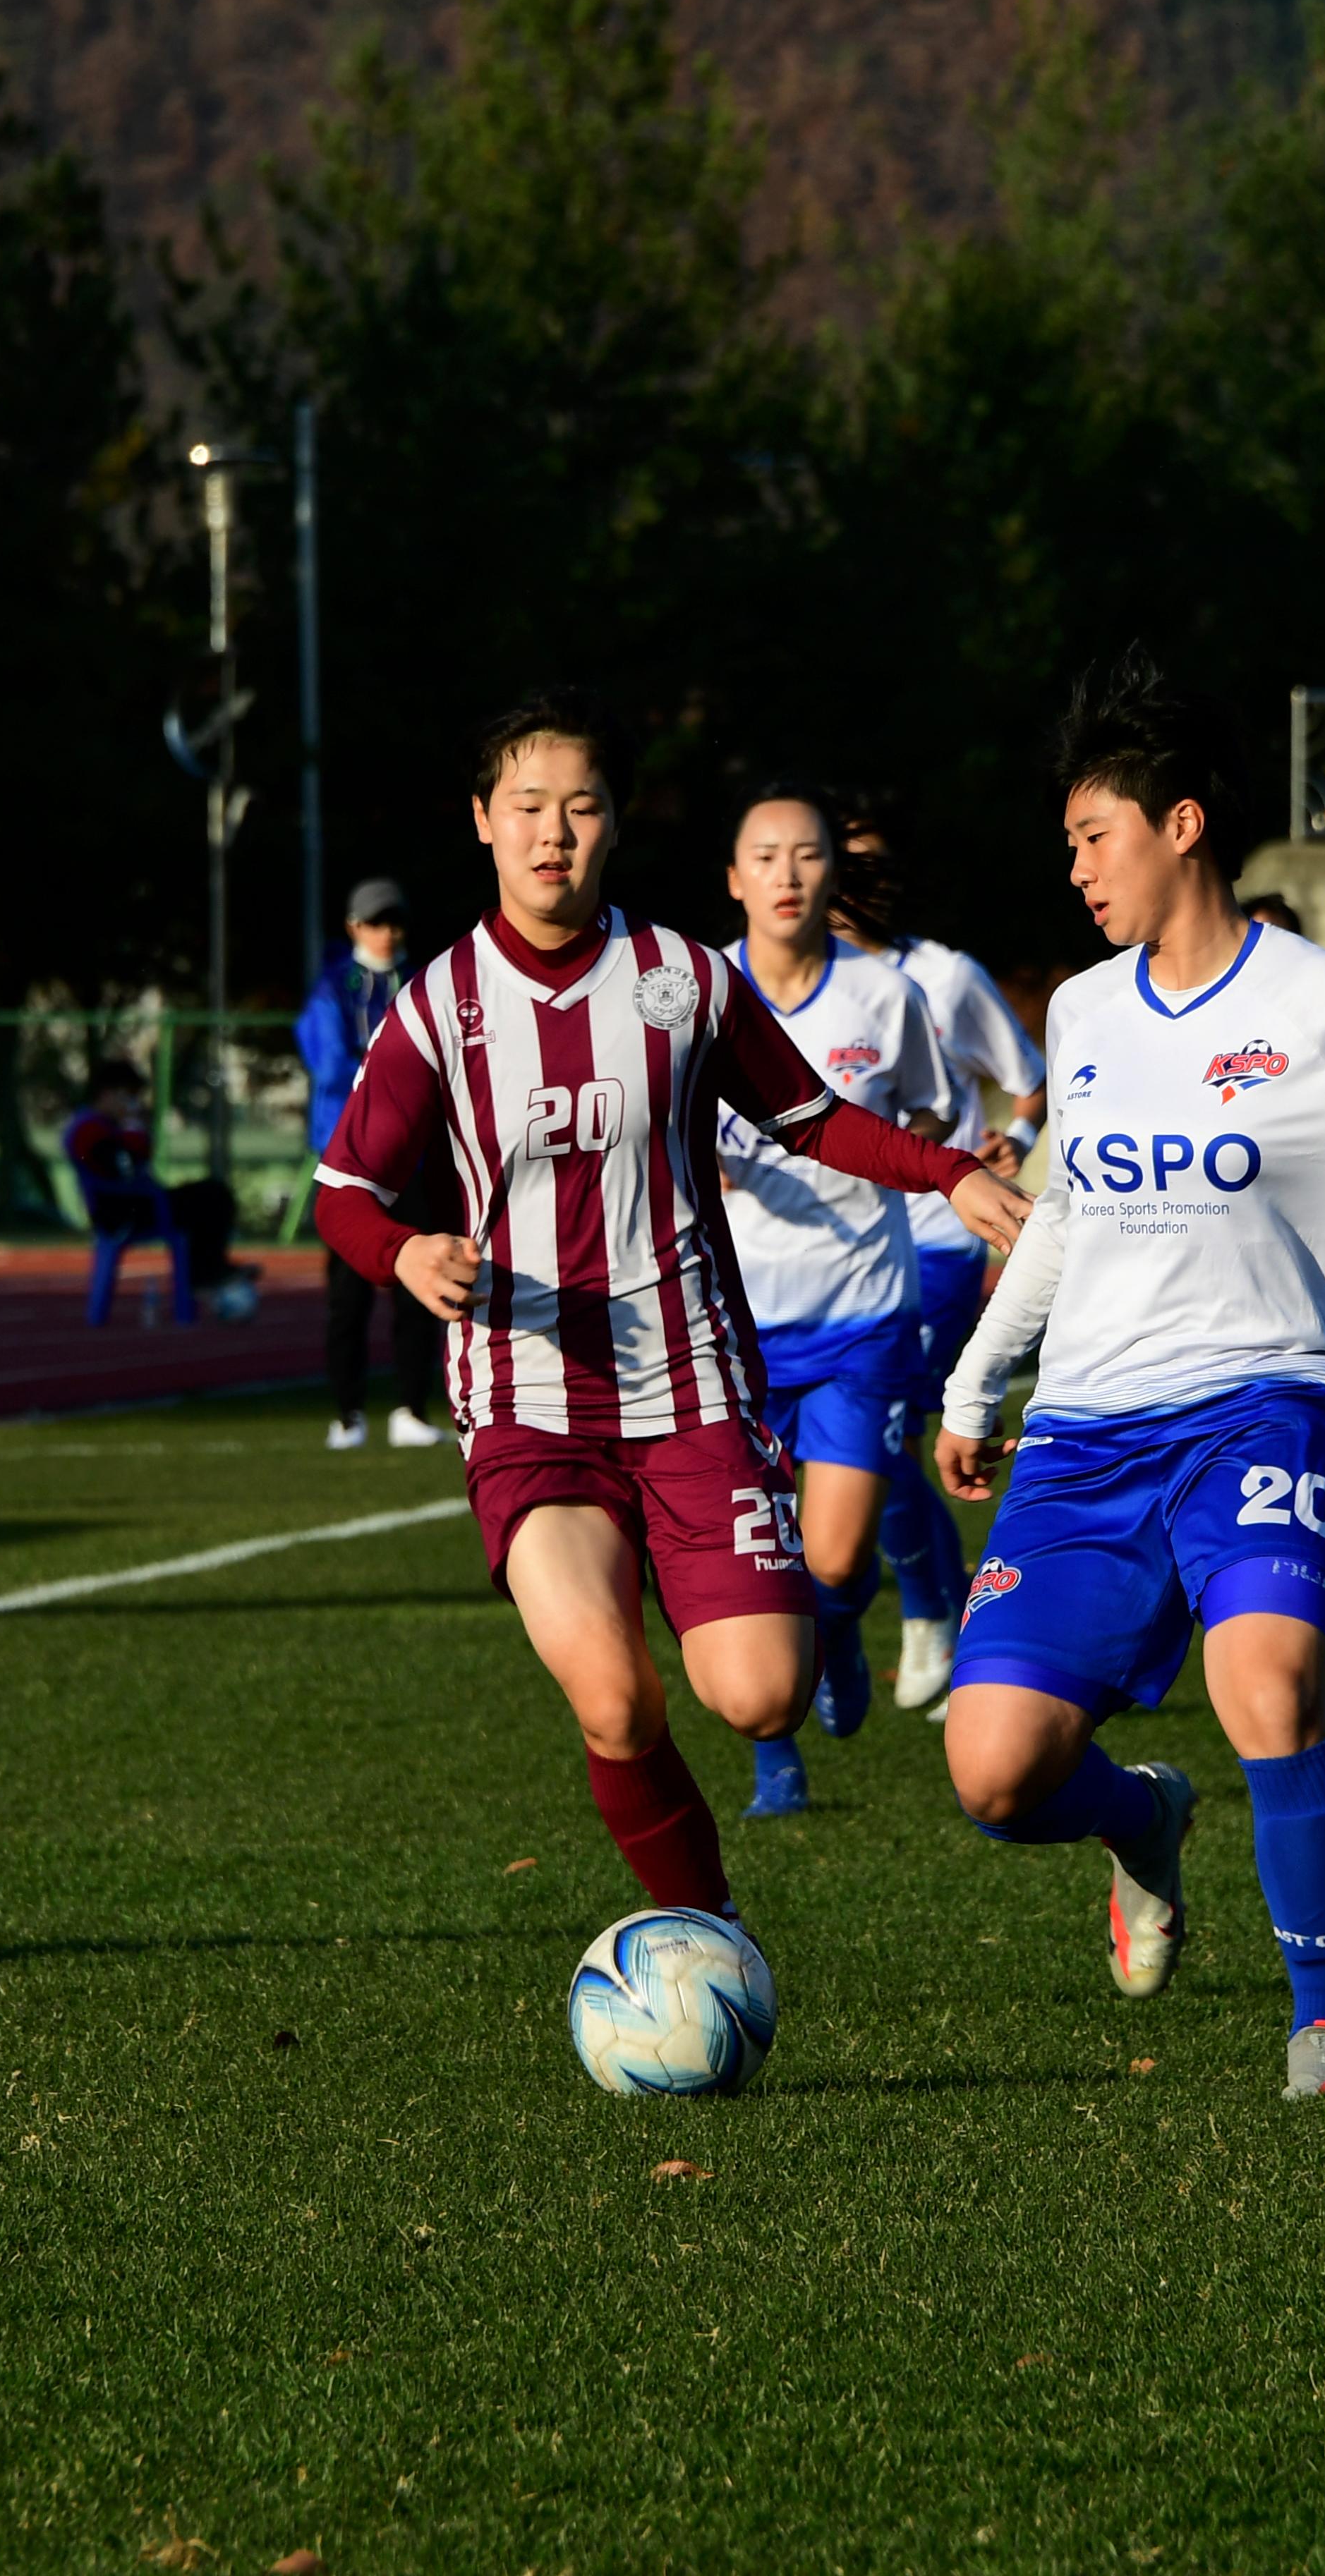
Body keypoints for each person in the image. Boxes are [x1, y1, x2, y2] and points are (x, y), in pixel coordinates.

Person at [310, 690, 1029, 1952]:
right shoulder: (438, 1004)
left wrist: (950, 1170)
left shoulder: (682, 981)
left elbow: (812, 1118)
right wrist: (404, 1247)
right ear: (482, 822)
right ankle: (709, 1930)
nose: (553, 834)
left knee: (759, 1694)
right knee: (612, 1697)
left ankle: (789, 1712)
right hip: (528, 1403)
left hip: (691, 1395)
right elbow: (341, 1189)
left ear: (615, 824)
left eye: (580, 807)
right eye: (526, 808)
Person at [932, 650, 1325, 2100]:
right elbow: (1069, 1211)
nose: (1073, 865)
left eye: (1093, 835)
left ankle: (1323, 2022)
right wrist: (974, 1384)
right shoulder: (1081, 1012)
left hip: (1267, 1400)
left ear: (1180, 824)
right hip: (1084, 1434)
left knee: (1265, 1680)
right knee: (993, 1774)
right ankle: (1142, 1819)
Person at [719, 784, 958, 1817]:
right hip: (728, 1328)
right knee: (750, 1570)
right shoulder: (692, 994)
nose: (787, 874)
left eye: (807, 855)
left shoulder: (885, 997)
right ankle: (778, 1756)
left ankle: (839, 1638)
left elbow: (932, 1115)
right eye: (764, 856)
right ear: (734, 879)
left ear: (835, 872)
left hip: (861, 1312)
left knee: (834, 1554)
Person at [830, 813, 1045, 1715]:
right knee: (861, 1448)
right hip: (833, 1258)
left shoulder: (944, 975)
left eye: (863, 868)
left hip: (941, 1239)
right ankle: (924, 1612)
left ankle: (935, 1616)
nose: (844, 885)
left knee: (892, 1440)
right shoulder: (779, 983)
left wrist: (1015, 1139)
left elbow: (1029, 1076)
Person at [297, 880, 446, 1449]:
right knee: (348, 1295)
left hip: (418, 1156)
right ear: (354, 926)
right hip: (352, 1158)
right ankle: (347, 1412)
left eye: (395, 922)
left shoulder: (425, 981)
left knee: (420, 1285)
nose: (387, 934)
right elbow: (330, 1062)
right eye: (375, 922)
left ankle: (410, 1407)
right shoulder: (334, 987)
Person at [62, 1057, 258, 1324]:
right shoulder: (88, 1129)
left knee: (212, 1194)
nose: (135, 1104)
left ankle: (206, 1269)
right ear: (109, 1094)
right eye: (129, 1097)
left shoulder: (106, 1127)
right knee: (209, 1197)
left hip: (140, 1203)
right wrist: (133, 1127)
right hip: (123, 1211)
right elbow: (125, 1164)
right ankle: (204, 1273)